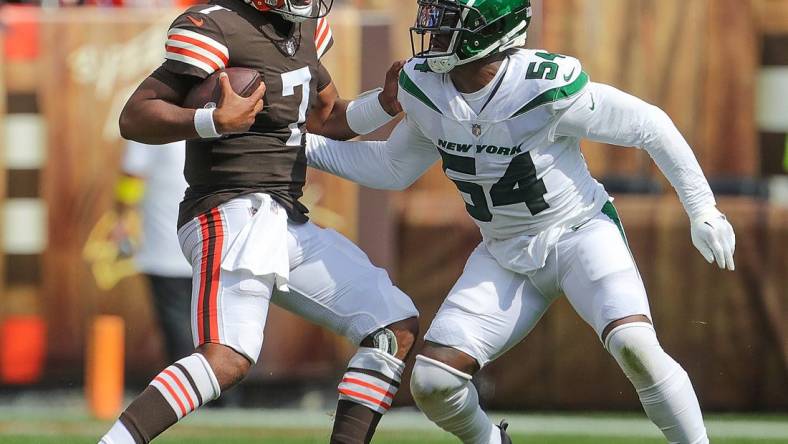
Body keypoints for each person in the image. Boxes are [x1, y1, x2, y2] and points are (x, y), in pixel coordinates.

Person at [305, 0, 736, 443]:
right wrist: (301, 148)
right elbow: (392, 168)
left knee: (635, 347)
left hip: (578, 233)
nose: (430, 27)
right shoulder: (426, 85)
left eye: (448, 18)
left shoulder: (540, 86)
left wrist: (702, 208)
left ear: (488, 28)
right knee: (434, 382)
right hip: (503, 251)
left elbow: (650, 124)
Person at [98, 1, 420, 443]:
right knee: (226, 358)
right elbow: (134, 116)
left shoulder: (305, 28)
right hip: (229, 209)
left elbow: (325, 117)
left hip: (284, 216)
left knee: (393, 326)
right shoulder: (218, 24)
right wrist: (210, 120)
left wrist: (383, 106)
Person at [112, 140, 193, 363]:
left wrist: (121, 217)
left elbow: (132, 174)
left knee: (177, 328)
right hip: (212, 245)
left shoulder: (151, 115)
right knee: (215, 326)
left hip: (165, 246)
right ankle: (227, 393)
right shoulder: (220, 115)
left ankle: (189, 391)